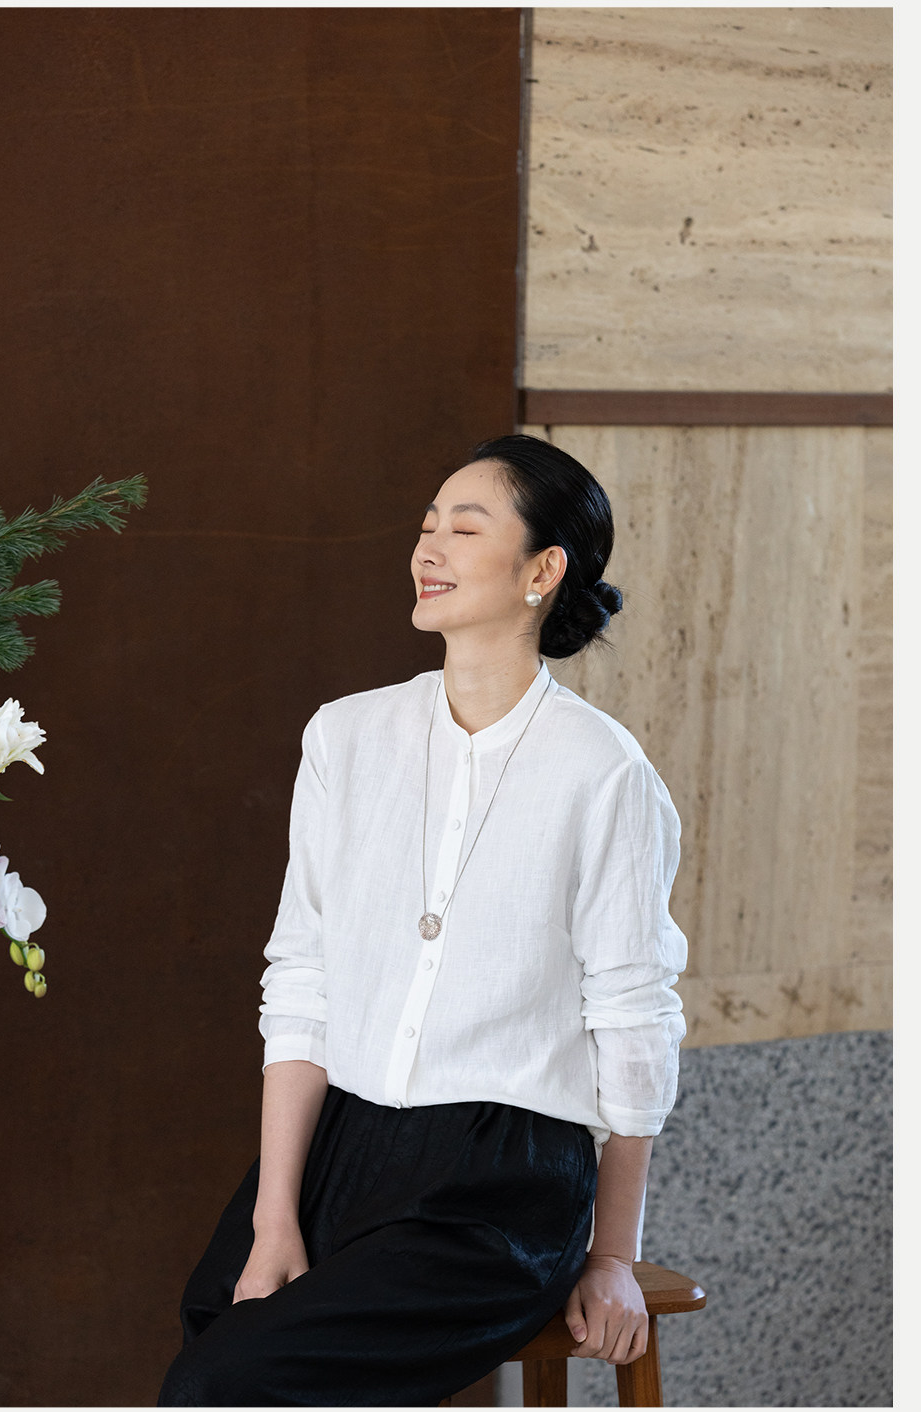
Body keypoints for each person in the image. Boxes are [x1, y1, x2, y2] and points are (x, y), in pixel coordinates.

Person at [157, 433, 688, 1407]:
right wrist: (276, 1215)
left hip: (503, 1183)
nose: (428, 547)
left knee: (224, 1385)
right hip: (342, 1142)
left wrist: (614, 1254)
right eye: (427, 524)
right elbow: (303, 981)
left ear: (542, 570)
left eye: (465, 528)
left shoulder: (603, 772)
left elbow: (633, 1017)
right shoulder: (347, 736)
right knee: (214, 1333)